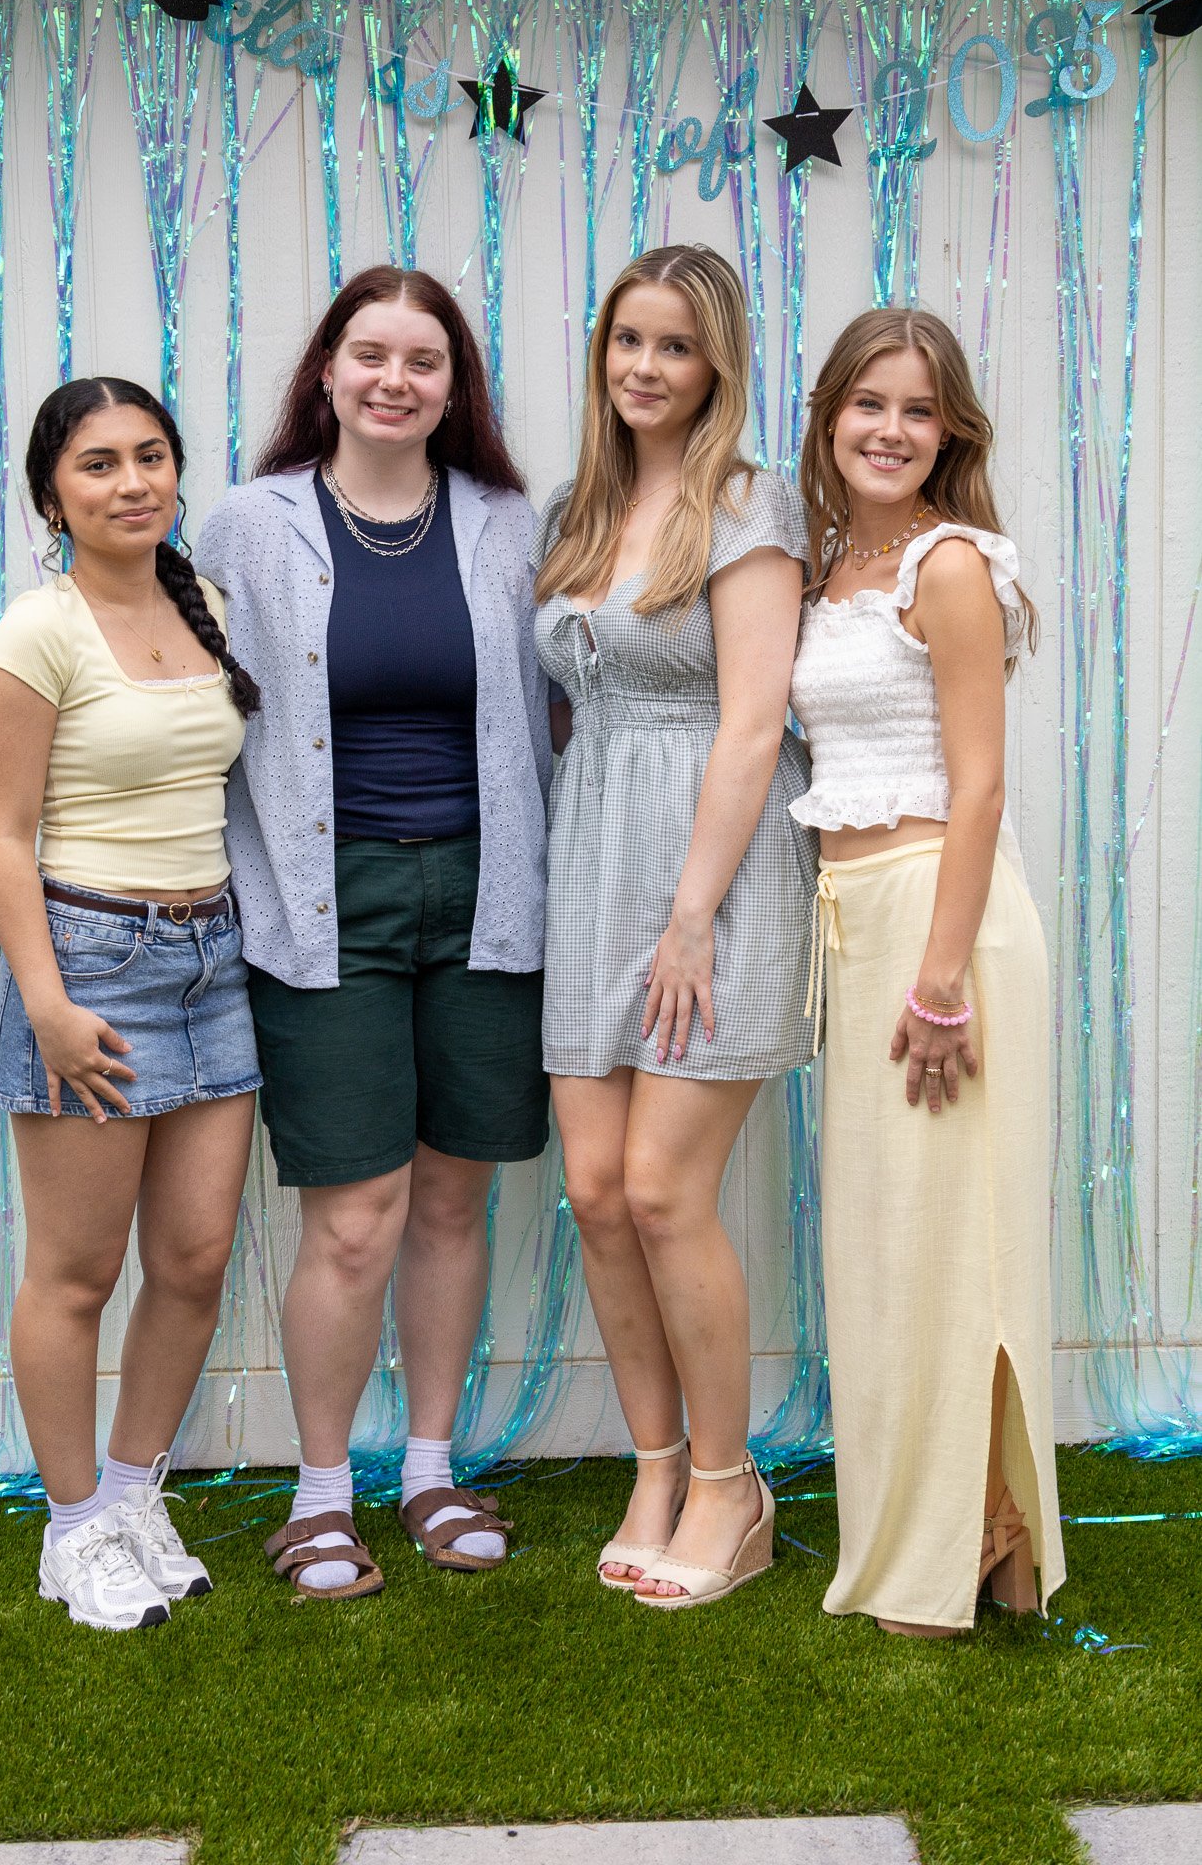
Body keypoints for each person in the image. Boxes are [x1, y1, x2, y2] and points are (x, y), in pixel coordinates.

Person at [194, 266, 550, 1600]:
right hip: (317, 901)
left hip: (490, 892)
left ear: (455, 388)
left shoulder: (508, 524)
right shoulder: (249, 526)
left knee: (455, 1191)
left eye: (424, 360)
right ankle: (323, 1488)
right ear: (327, 372)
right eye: (370, 355)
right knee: (356, 1214)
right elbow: (191, 701)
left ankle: (431, 1467)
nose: (394, 380)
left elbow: (553, 705)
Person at [532, 243, 818, 1609]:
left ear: (718, 368)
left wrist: (692, 916)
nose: (645, 367)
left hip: (712, 871)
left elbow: (755, 722)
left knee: (663, 1191)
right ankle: (652, 1465)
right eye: (627, 341)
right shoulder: (580, 510)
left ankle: (727, 1484)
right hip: (589, 862)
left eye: (676, 348)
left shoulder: (749, 507)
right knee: (594, 1191)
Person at [789, 307, 1066, 1635]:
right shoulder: (834, 565)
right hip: (856, 917)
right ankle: (966, 1542)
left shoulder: (946, 566)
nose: (889, 430)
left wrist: (942, 976)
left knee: (956, 1248)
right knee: (893, 1250)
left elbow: (982, 782)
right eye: (867, 405)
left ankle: (972, 1542)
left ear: (948, 428)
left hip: (941, 928)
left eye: (916, 409)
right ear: (830, 417)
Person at [0, 378, 262, 1632]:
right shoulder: (34, 631)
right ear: (53, 496)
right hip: (92, 961)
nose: (132, 481)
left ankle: (137, 1492)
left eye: (151, 456)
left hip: (214, 958)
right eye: (98, 465)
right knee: (77, 1272)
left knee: (193, 1261)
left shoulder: (202, 612)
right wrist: (45, 999)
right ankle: (76, 1524)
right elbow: (2, 831)